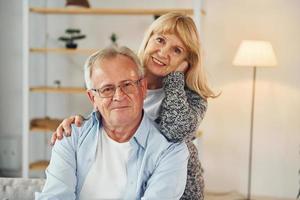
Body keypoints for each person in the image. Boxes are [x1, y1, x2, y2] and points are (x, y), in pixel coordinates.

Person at [51, 12, 217, 200]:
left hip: (174, 184)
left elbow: (176, 132)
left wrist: (175, 80)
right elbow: (104, 112)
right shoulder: (125, 74)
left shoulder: (193, 97)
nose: (163, 53)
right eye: (160, 40)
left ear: (187, 63)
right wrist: (77, 122)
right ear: (148, 39)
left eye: (177, 50)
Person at [36, 46, 189, 199]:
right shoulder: (70, 137)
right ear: (92, 98)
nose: (118, 96)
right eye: (107, 89)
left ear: (143, 88)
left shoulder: (170, 151)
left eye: (127, 85)